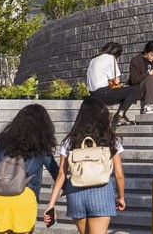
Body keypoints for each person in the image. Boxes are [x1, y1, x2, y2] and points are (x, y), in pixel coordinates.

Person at [0, 103, 58, 234]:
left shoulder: (2, 143)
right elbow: (57, 173)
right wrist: (56, 200)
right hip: (24, 199)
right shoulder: (41, 147)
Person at [44, 98, 127, 234]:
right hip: (101, 192)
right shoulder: (111, 140)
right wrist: (121, 197)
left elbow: (61, 175)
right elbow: (119, 174)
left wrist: (51, 204)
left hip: (76, 194)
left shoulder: (69, 141)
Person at [85, 41, 132, 118]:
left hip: (92, 93)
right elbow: (116, 81)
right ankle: (121, 115)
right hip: (103, 93)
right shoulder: (110, 58)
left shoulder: (93, 59)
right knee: (134, 90)